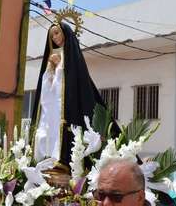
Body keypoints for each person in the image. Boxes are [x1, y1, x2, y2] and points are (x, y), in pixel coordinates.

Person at [31, 22, 120, 169]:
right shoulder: (51, 55)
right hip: (51, 106)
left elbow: (72, 83)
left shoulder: (72, 56)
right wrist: (51, 70)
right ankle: (45, 160)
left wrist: (60, 66)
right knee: (46, 131)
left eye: (57, 33)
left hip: (66, 107)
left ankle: (62, 161)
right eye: (52, 35)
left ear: (65, 33)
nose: (55, 37)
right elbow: (46, 85)